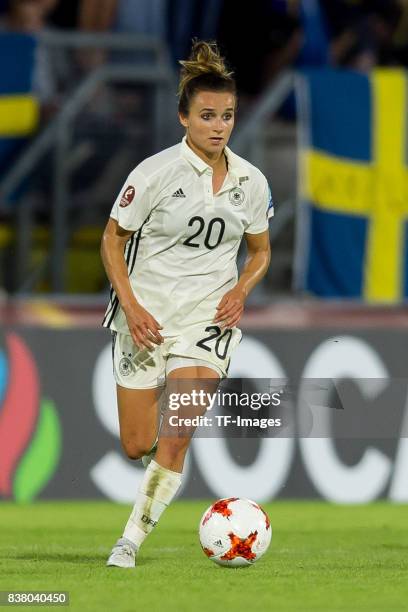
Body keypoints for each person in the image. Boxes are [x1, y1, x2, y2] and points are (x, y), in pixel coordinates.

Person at [100, 39, 273, 569]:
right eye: (206, 116)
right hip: (146, 317)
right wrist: (130, 306)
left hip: (207, 319)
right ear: (183, 118)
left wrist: (240, 290)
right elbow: (111, 240)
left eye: (226, 116)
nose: (218, 126)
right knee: (136, 444)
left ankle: (128, 543)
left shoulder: (251, 181)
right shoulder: (153, 174)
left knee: (175, 435)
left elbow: (261, 251)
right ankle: (165, 467)